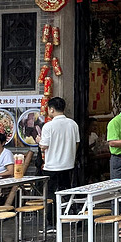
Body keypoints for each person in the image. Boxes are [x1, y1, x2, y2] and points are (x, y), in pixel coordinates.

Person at [40, 97, 80, 230]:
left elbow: (43, 146)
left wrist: (39, 140)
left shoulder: (48, 126)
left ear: (51, 109)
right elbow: (77, 143)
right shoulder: (73, 124)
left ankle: (52, 223)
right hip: (68, 165)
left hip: (51, 166)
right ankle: (76, 216)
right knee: (68, 191)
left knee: (51, 195)